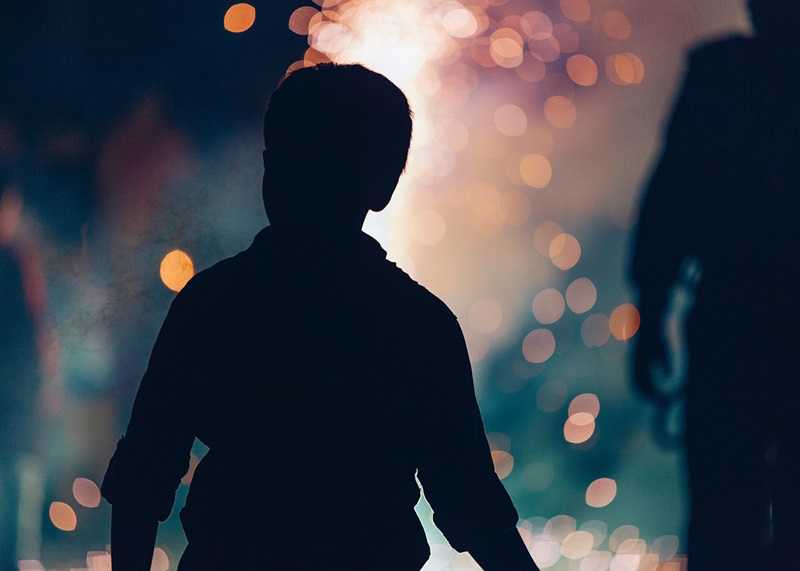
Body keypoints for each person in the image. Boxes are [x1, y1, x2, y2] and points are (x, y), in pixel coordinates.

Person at [101, 63, 538, 570]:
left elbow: (142, 478)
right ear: (384, 185)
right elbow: (470, 501)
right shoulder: (417, 323)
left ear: (270, 169)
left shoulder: (213, 303)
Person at [631, 1, 800, 567]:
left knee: (724, 516)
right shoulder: (720, 75)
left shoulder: (721, 75)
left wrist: (651, 315)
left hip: (733, 318)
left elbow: (670, 200)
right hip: (739, 317)